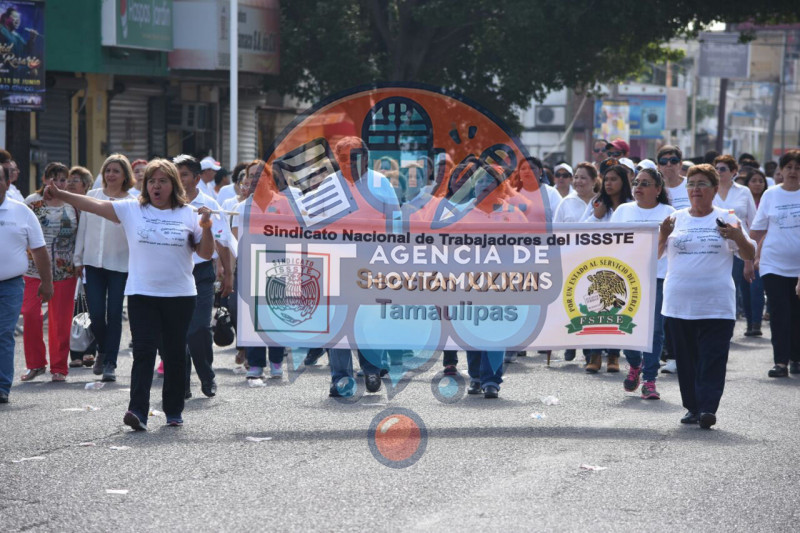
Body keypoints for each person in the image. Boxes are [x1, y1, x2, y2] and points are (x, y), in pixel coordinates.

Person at [44, 158, 215, 430]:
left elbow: (205, 253)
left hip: (180, 296)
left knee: (173, 354)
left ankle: (173, 410)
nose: (157, 186)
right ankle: (137, 411)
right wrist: (62, 194)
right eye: (151, 181)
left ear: (173, 184)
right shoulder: (133, 209)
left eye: (163, 181)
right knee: (144, 352)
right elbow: (96, 206)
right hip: (142, 294)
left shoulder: (189, 213)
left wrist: (206, 227)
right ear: (145, 185)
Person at [659, 164, 755, 429]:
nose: (695, 189)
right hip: (679, 303)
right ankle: (692, 407)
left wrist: (737, 235)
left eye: (702, 184)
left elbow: (749, 255)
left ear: (714, 189)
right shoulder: (675, 218)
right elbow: (655, 255)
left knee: (713, 357)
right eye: (691, 184)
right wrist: (663, 235)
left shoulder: (727, 217)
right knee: (687, 360)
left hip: (716, 304)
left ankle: (708, 408)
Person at [611, 168, 675, 399]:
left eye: (646, 183)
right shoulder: (623, 210)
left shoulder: (669, 212)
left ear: (658, 189)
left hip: (658, 276)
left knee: (655, 331)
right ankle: (635, 364)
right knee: (626, 327)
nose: (639, 187)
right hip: (626, 279)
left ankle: (649, 379)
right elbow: (609, 242)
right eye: (636, 182)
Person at [173, 155, 234, 397]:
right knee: (176, 332)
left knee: (197, 328)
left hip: (202, 273)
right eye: (175, 174)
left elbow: (223, 240)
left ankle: (207, 376)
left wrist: (228, 274)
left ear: (197, 178)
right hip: (173, 273)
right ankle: (182, 382)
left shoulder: (210, 203)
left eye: (184, 174)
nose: (179, 179)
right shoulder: (166, 203)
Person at [73, 155, 136, 381]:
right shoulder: (92, 197)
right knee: (97, 314)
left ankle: (110, 362)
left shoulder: (131, 201)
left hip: (120, 264)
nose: (111, 174)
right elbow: (83, 228)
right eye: (108, 170)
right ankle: (101, 348)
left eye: (116, 171)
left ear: (125, 176)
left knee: (115, 313)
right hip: (93, 263)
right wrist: (78, 259)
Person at [19, 163, 79, 383]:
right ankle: (35, 363)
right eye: (52, 178)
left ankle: (59, 367)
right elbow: (27, 230)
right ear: (44, 180)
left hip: (65, 269)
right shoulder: (33, 203)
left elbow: (80, 234)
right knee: (31, 315)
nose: (57, 183)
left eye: (62, 179)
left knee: (60, 321)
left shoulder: (73, 204)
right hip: (33, 269)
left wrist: (80, 261)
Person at [0, 164, 52, 403]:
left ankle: (2, 386)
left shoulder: (21, 212)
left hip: (10, 285)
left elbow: (40, 250)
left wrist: (46, 282)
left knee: (3, 334)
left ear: (7, 183)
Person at [749, 150, 800, 378]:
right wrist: (753, 258)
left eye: (797, 167)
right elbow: (758, 230)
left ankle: (796, 358)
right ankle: (780, 362)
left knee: (796, 313)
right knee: (779, 313)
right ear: (781, 170)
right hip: (773, 264)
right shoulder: (771, 195)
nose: (793, 172)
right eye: (788, 167)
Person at [582, 162, 634, 373]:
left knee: (616, 308)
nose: (610, 183)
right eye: (607, 179)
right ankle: (594, 354)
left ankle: (613, 355)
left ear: (624, 182)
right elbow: (578, 230)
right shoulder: (596, 203)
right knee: (594, 307)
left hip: (624, 264)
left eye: (614, 179)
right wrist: (597, 215)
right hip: (596, 264)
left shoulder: (632, 204)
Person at [712, 154, 758, 331]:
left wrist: (751, 256)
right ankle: (714, 325)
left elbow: (752, 223)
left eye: (722, 169)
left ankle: (728, 326)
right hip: (715, 246)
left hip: (738, 245)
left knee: (732, 287)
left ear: (733, 172)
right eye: (716, 168)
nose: (718, 172)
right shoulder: (710, 190)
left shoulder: (743, 191)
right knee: (716, 286)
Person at [66, 165, 100, 369]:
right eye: (69, 180)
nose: (69, 183)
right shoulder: (62, 205)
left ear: (86, 185)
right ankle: (75, 352)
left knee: (91, 306)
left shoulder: (92, 205)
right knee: (73, 310)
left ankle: (90, 350)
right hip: (65, 264)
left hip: (87, 262)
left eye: (75, 180)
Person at [741, 167, 769, 336]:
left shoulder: (768, 199)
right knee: (745, 287)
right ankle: (749, 321)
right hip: (746, 247)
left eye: (761, 181)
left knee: (757, 287)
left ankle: (756, 323)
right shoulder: (744, 199)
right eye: (754, 181)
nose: (758, 184)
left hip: (765, 247)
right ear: (748, 183)